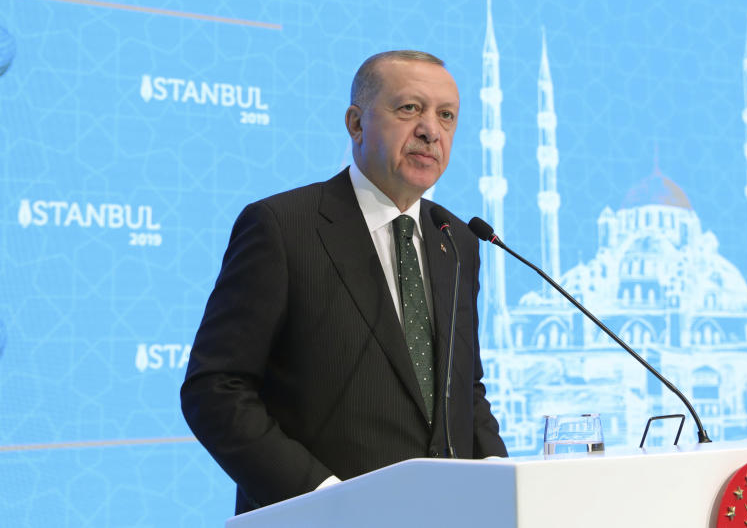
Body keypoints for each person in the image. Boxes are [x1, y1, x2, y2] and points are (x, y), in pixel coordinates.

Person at [181, 50, 507, 514]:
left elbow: (464, 390)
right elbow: (215, 389)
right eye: (409, 108)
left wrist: (503, 483)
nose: (431, 130)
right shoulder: (283, 226)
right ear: (356, 124)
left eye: (446, 115)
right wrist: (326, 498)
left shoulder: (455, 240)